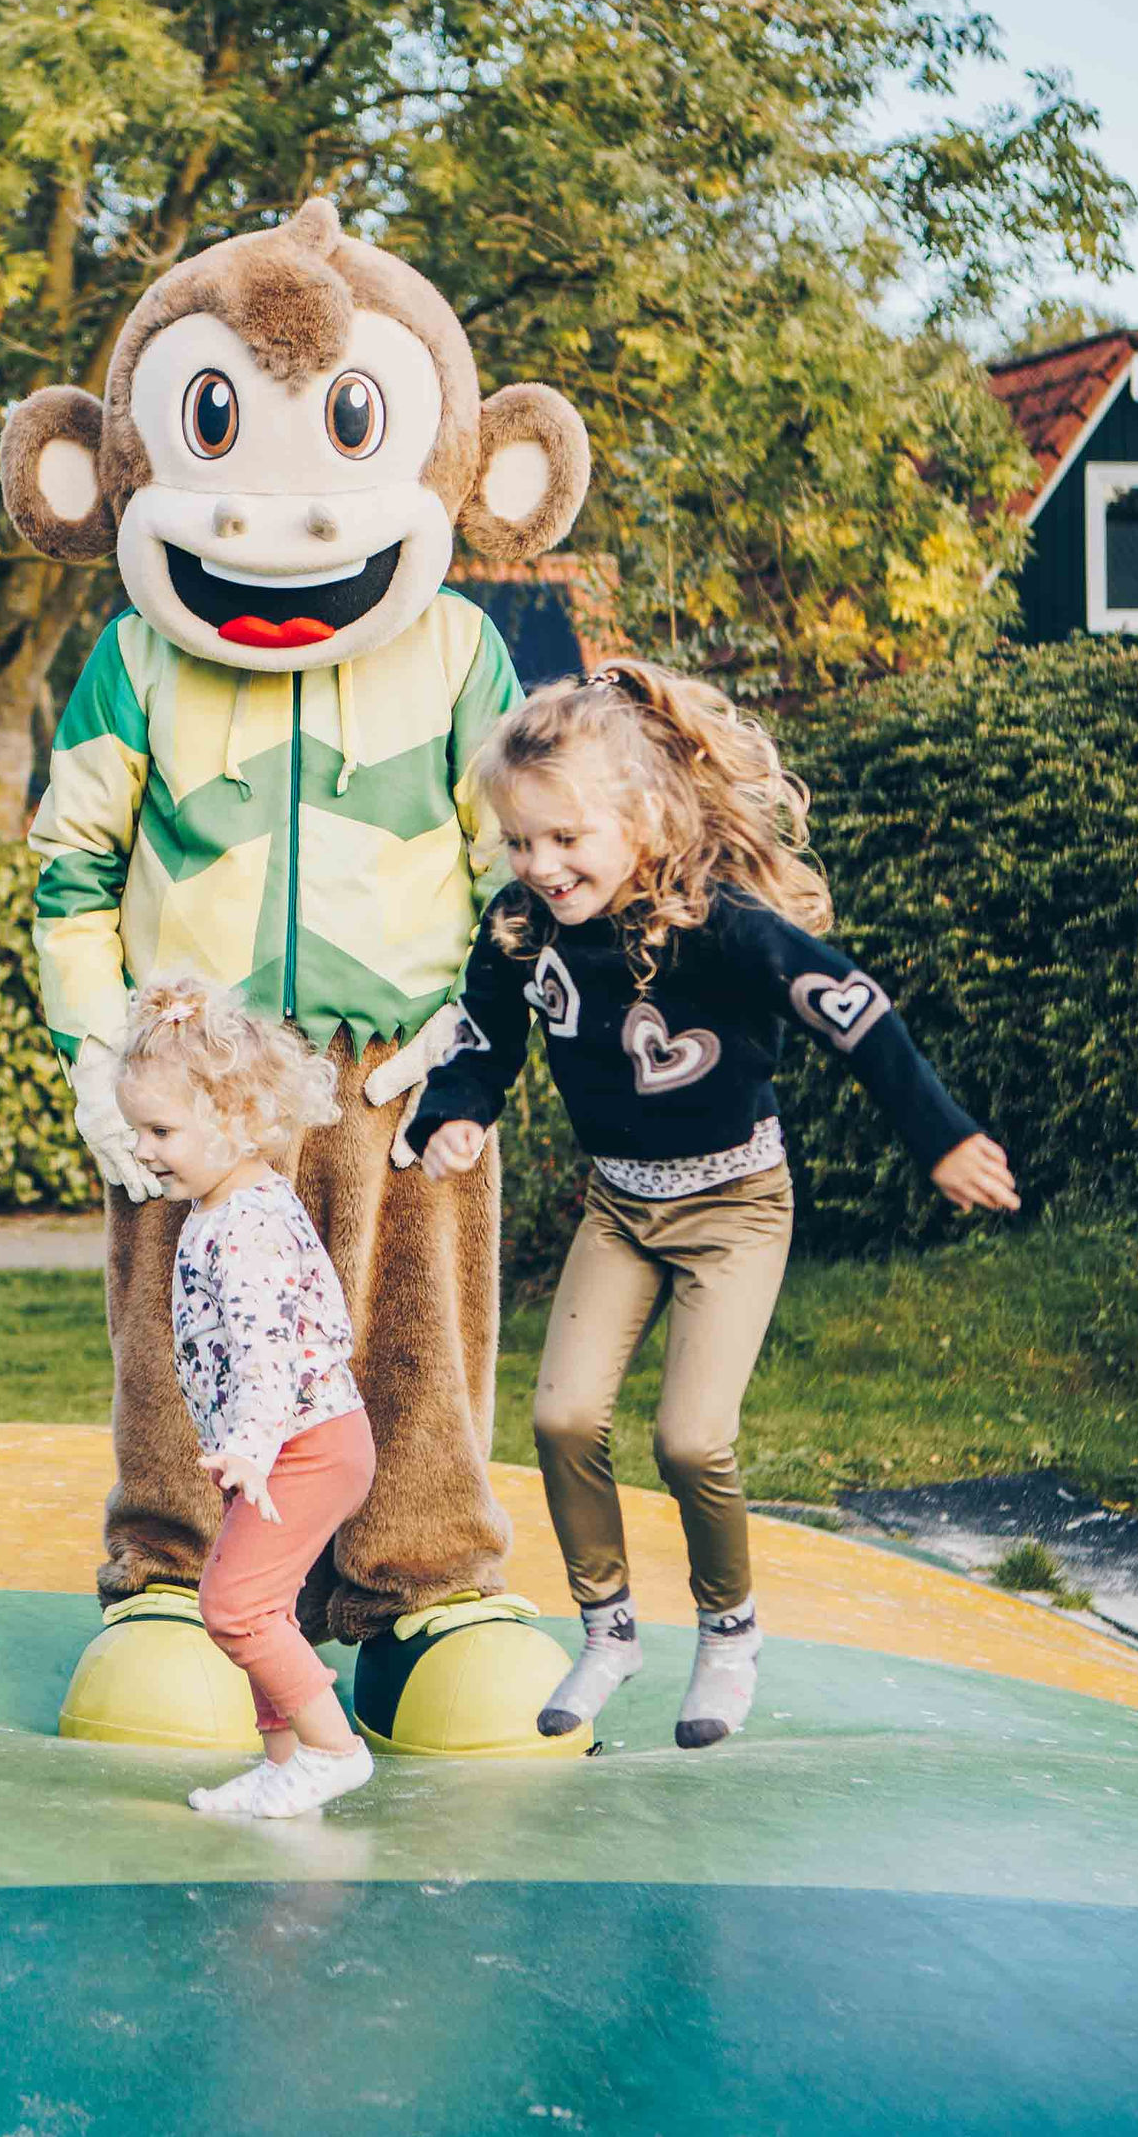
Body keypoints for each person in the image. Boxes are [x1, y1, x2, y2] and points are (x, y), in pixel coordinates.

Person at [401, 661, 1021, 1749]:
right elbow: (486, 1032)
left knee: (691, 1440)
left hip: (736, 1206)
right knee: (561, 1419)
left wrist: (941, 1134)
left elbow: (853, 1009)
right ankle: (609, 1632)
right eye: (521, 842)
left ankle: (729, 1634)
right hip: (619, 1208)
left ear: (641, 819)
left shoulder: (715, 922)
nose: (541, 865)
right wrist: (460, 1109)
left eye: (566, 838)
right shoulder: (521, 926)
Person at [114, 975, 381, 1817]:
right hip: (291, 1443)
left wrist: (252, 1446)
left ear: (234, 1118)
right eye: (137, 1129)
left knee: (233, 1606)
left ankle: (333, 1750)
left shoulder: (246, 1224)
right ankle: (285, 1763)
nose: (144, 1148)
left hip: (302, 1445)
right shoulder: (227, 1204)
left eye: (161, 1130)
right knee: (266, 1605)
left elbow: (270, 1353)